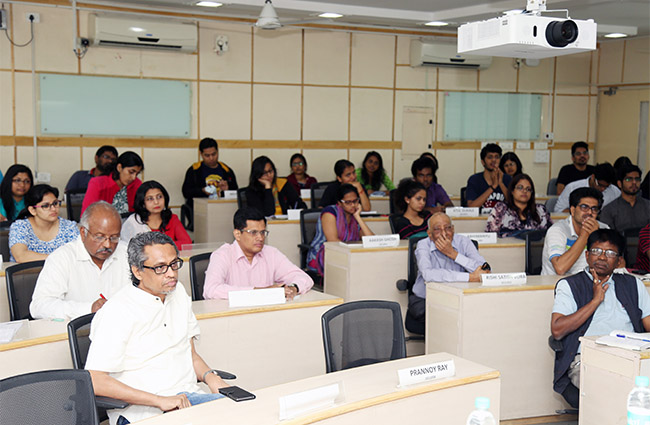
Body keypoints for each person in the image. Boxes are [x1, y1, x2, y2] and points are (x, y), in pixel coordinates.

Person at [85, 232, 229, 425]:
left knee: (245, 409)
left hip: (188, 399)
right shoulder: (117, 311)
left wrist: (211, 377)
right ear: (137, 271)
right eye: (160, 267)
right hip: (142, 411)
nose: (171, 273)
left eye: (174, 264)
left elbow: (190, 354)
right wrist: (160, 401)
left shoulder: (177, 293)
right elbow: (95, 380)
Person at [550, 229, 650, 408]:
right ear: (587, 255)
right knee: (615, 390)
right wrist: (595, 301)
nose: (602, 257)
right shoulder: (569, 285)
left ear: (619, 261)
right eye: (596, 251)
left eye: (610, 253)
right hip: (587, 359)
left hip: (631, 356)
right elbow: (557, 330)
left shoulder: (633, 284)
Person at [29, 201, 130, 320]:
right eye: (99, 237)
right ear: (83, 232)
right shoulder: (62, 258)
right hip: (75, 334)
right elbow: (39, 306)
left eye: (114, 238)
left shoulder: (127, 253)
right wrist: (88, 309)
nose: (107, 244)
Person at [203, 207, 313, 299]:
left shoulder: (271, 253)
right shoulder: (223, 255)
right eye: (253, 232)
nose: (260, 238)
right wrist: (260, 291)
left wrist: (293, 288)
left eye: (262, 232)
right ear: (237, 234)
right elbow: (211, 290)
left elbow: (304, 278)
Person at [408, 213, 489, 333]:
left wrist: (453, 254)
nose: (444, 233)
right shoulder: (423, 245)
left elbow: (484, 270)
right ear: (429, 234)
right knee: (447, 320)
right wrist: (469, 277)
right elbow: (428, 275)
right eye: (437, 229)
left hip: (459, 298)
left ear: (453, 229)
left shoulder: (464, 242)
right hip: (427, 299)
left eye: (448, 228)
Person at [307, 184, 375, 275]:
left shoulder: (354, 216)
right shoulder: (330, 212)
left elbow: (371, 240)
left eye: (355, 201)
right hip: (324, 255)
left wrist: (357, 217)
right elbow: (333, 241)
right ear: (339, 203)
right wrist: (351, 254)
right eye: (348, 202)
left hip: (346, 254)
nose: (353, 205)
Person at [541, 187, 609, 275]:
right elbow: (560, 268)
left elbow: (616, 263)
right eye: (584, 207)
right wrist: (585, 236)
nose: (589, 212)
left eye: (594, 209)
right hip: (556, 285)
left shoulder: (604, 229)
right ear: (572, 210)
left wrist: (597, 236)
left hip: (590, 283)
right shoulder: (557, 230)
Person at [9, 184, 79, 262]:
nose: (53, 209)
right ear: (32, 210)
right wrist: (57, 258)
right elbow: (21, 256)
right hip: (28, 274)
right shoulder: (20, 227)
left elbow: (78, 255)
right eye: (45, 206)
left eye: (55, 203)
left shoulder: (69, 227)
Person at [121, 181, 192, 249]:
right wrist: (168, 246)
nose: (156, 202)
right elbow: (129, 249)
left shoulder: (172, 218)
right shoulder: (134, 222)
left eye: (159, 197)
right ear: (143, 203)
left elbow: (187, 243)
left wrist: (157, 246)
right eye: (150, 199)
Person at [485, 174, 552, 238]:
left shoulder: (541, 210)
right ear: (512, 191)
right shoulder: (501, 209)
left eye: (528, 189)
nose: (524, 191)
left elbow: (553, 232)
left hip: (536, 249)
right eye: (520, 188)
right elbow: (490, 235)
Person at [181, 137, 238, 210]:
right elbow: (186, 192)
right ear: (201, 154)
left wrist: (227, 190)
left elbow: (236, 193)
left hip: (223, 209)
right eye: (207, 155)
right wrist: (202, 191)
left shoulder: (227, 170)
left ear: (217, 151)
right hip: (200, 210)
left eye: (214, 154)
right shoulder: (194, 170)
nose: (211, 158)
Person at [599, 164, 650, 233]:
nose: (634, 182)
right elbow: (605, 237)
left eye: (637, 179)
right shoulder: (609, 210)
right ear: (619, 184)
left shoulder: (648, 206)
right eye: (629, 179)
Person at [553, 162, 620, 213]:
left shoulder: (614, 191)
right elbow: (558, 210)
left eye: (606, 187)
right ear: (593, 177)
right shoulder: (572, 187)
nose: (602, 189)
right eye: (600, 185)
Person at [466, 143, 512, 209]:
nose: (494, 160)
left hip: (503, 218)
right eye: (490, 157)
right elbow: (471, 207)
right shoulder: (474, 180)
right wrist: (493, 186)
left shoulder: (508, 179)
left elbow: (515, 205)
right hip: (481, 218)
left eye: (497, 157)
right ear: (483, 162)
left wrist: (501, 183)